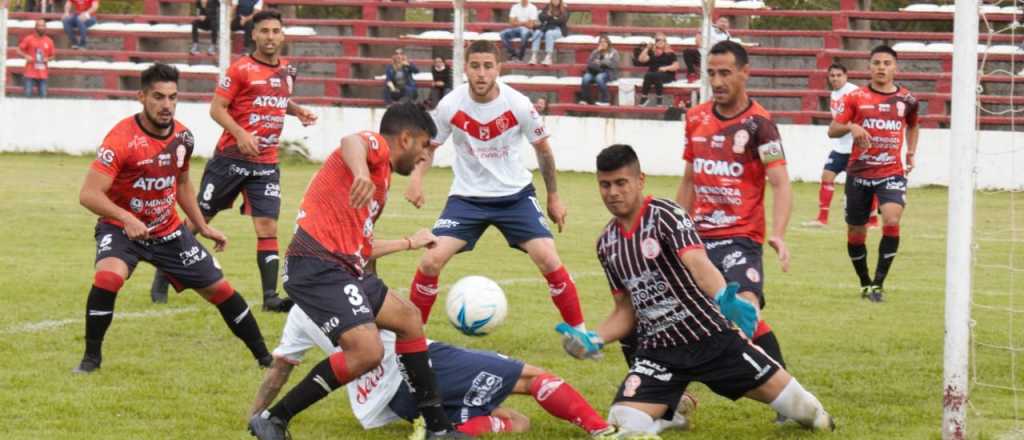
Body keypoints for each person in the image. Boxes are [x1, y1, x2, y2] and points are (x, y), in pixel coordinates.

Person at [558, 143, 833, 436]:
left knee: (810, 414)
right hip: (658, 352)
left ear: (640, 180)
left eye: (621, 183)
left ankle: (803, 407)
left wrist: (722, 297)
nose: (613, 192)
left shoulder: (666, 214)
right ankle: (671, 414)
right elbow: (626, 310)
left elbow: (698, 263)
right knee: (623, 420)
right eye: (605, 185)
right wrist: (594, 338)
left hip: (712, 339)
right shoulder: (607, 243)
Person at [247, 103, 465, 440]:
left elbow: (362, 248)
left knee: (408, 318)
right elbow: (352, 141)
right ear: (405, 139)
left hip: (344, 268)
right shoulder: (373, 149)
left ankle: (438, 428)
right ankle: (274, 418)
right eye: (424, 146)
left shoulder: (382, 179)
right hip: (316, 264)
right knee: (367, 352)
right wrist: (361, 172)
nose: (424, 157)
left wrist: (409, 242)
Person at [74, 63, 273, 374]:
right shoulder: (121, 139)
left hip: (167, 231)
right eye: (158, 97)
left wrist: (203, 226)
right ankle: (90, 361)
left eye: (172, 97)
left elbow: (181, 184)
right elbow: (89, 194)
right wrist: (127, 218)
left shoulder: (183, 137)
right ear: (141, 97)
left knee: (221, 291)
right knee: (108, 277)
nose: (167, 105)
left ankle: (266, 360)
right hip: (122, 229)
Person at [403, 41, 589, 343]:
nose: (481, 73)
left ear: (498, 68)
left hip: (515, 196)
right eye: (475, 66)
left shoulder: (518, 105)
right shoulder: (450, 105)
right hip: (466, 198)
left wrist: (553, 196)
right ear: (465, 68)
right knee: (429, 262)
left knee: (549, 259)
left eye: (488, 66)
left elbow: (543, 150)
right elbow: (430, 147)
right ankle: (412, 337)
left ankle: (580, 336)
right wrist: (416, 178)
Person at [251, 290, 623, 438]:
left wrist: (257, 416)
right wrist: (409, 242)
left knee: (515, 420)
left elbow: (280, 369)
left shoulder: (297, 316)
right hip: (418, 365)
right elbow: (405, 317)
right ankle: (601, 429)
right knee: (533, 377)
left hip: (387, 403)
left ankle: (461, 425)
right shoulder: (351, 286)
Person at [149, 10, 318, 312]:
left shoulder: (288, 71)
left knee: (267, 226)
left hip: (266, 162)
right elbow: (217, 109)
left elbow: (277, 98)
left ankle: (269, 298)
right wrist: (239, 133)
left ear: (283, 35)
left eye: (275, 31)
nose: (270, 36)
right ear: (253, 35)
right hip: (230, 161)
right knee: (200, 220)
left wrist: (297, 110)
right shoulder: (240, 69)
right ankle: (165, 271)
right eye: (264, 31)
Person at [674, 41, 793, 412]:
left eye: (725, 72)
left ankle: (787, 396)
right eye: (712, 73)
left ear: (745, 72)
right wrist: (674, 227)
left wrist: (778, 232)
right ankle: (667, 400)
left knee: (743, 309)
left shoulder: (762, 126)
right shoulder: (695, 118)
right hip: (697, 238)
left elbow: (780, 181)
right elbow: (690, 179)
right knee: (667, 311)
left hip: (741, 237)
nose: (717, 80)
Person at [828, 45, 919, 303]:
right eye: (877, 62)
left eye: (887, 63)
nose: (881, 67)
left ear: (895, 67)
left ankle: (879, 284)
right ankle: (865, 282)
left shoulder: (907, 99)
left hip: (891, 172)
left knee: (891, 218)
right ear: (869, 67)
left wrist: (910, 152)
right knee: (856, 231)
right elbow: (833, 130)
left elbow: (913, 125)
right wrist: (853, 126)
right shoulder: (856, 97)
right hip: (859, 173)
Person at [802, 63, 878, 229]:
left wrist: (851, 129)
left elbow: (865, 115)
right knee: (827, 176)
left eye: (839, 75)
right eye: (832, 76)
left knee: (865, 183)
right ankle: (822, 219)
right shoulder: (834, 94)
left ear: (846, 76)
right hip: (840, 146)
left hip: (856, 147)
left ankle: (872, 221)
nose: (835, 78)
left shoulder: (854, 93)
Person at [634, 33, 679, 107]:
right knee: (650, 75)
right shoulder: (652, 53)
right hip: (653, 74)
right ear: (655, 41)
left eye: (663, 40)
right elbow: (641, 59)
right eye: (658, 40)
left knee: (652, 75)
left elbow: (676, 66)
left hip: (666, 74)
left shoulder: (670, 53)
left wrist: (665, 68)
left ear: (665, 42)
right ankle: (650, 98)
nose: (660, 41)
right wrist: (647, 48)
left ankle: (652, 98)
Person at [682, 16, 732, 83]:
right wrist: (702, 47)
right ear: (716, 22)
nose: (723, 23)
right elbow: (698, 38)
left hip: (713, 56)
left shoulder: (727, 36)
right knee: (688, 52)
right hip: (702, 52)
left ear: (728, 25)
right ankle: (692, 73)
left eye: (726, 22)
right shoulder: (708, 28)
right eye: (721, 21)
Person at [16, 19, 55, 98]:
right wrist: (25, 56)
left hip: (43, 74)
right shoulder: (29, 39)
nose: (41, 27)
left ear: (45, 27)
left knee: (43, 97)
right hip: (30, 73)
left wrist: (47, 59)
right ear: (35, 27)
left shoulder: (49, 41)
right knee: (28, 96)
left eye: (43, 26)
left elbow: (53, 56)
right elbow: (18, 50)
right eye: (39, 25)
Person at [579, 34, 618, 106]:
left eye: (604, 42)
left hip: (607, 72)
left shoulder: (613, 52)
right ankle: (585, 99)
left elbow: (614, 65)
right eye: (601, 42)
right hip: (594, 71)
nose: (603, 44)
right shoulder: (596, 51)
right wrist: (597, 52)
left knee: (599, 78)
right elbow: (589, 63)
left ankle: (606, 100)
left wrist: (601, 62)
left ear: (608, 43)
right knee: (585, 78)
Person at [528, 0, 569, 66]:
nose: (555, 1)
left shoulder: (564, 8)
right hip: (546, 28)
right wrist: (551, 17)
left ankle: (548, 57)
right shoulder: (547, 7)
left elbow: (562, 20)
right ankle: (534, 56)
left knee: (549, 33)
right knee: (537, 32)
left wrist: (549, 18)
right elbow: (541, 17)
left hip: (558, 30)